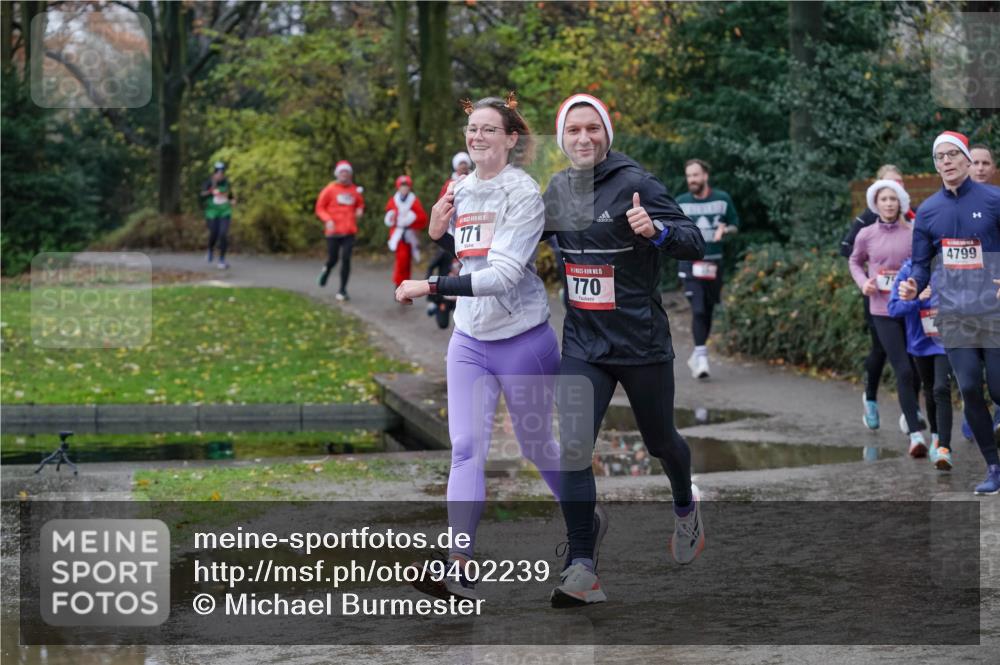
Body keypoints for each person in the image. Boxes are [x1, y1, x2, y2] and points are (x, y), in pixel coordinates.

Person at [395, 94, 563, 599]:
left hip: (523, 339)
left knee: (537, 446)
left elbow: (505, 274)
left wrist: (431, 285)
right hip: (469, 339)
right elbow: (471, 257)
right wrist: (440, 232)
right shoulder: (460, 187)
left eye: (489, 129)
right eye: (472, 128)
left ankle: (585, 517)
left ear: (512, 139)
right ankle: (461, 564)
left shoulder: (523, 194)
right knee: (466, 449)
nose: (477, 137)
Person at [542, 93, 706, 607]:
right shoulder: (558, 189)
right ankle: (583, 566)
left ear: (607, 134)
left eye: (593, 129)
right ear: (562, 138)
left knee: (662, 444)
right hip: (584, 344)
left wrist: (656, 231)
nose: (584, 138)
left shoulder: (637, 183)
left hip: (641, 343)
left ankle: (685, 505)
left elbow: (694, 240)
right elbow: (516, 241)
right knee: (570, 445)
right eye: (574, 131)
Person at [898, 131, 1000, 495]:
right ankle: (993, 467)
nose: (946, 162)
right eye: (939, 157)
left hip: (994, 311)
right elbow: (921, 266)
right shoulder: (927, 212)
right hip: (954, 314)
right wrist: (912, 285)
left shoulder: (993, 200)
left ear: (967, 161)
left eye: (952, 155)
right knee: (970, 388)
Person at [840, 164, 922, 431]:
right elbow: (850, 253)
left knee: (912, 358)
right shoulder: (866, 223)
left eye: (899, 187)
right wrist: (866, 281)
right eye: (887, 190)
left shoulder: (912, 219)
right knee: (881, 350)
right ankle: (871, 399)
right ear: (877, 192)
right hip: (876, 300)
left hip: (907, 301)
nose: (892, 197)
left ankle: (910, 410)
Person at [675, 159, 739, 379]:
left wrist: (725, 230)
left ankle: (698, 352)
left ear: (705, 176)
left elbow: (734, 224)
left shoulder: (722, 199)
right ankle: (702, 358)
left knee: (709, 309)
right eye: (689, 176)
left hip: (713, 263)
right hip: (690, 264)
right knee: (699, 309)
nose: (691, 180)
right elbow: (672, 228)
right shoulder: (681, 202)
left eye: (695, 175)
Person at [888, 260, 954, 470]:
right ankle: (935, 436)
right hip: (920, 342)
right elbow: (893, 308)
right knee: (929, 389)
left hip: (946, 340)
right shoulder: (908, 270)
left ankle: (944, 447)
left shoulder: (949, 265)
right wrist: (916, 300)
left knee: (941, 388)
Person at [315, 160, 364, 300]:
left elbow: (360, 203)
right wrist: (327, 220)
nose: (344, 174)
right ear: (337, 173)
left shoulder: (354, 190)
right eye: (342, 172)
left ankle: (342, 290)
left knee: (346, 259)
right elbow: (320, 207)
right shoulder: (330, 189)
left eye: (347, 172)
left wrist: (360, 210)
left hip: (349, 231)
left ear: (350, 174)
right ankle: (327, 269)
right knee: (333, 258)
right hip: (333, 231)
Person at [384, 175, 428, 288]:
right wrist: (393, 218)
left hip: (410, 235)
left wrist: (411, 219)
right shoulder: (393, 200)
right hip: (398, 236)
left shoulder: (414, 200)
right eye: (402, 186)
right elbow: (389, 218)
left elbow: (422, 218)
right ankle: (399, 285)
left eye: (406, 186)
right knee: (401, 260)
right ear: (398, 187)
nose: (404, 188)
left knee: (407, 262)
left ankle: (404, 285)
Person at [200, 161, 235, 270]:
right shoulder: (208, 182)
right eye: (218, 173)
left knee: (223, 233)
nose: (220, 175)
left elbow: (231, 195)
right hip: (212, 212)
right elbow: (202, 195)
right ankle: (210, 250)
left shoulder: (227, 183)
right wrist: (211, 190)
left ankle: (222, 260)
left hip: (225, 212)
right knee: (214, 232)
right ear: (214, 173)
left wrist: (232, 200)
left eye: (222, 173)